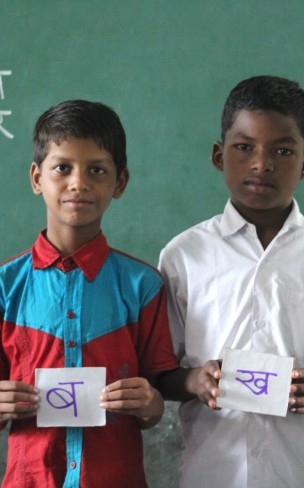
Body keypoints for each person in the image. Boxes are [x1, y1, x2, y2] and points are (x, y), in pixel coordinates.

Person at [157, 75, 304, 487]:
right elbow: (159, 371)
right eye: (244, 147)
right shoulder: (182, 256)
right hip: (213, 472)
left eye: (283, 150)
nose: (261, 163)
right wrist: (194, 380)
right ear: (219, 155)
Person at [0, 100, 179, 487]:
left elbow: (157, 400)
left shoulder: (143, 286)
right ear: (36, 178)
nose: (78, 183)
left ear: (120, 182)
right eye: (62, 168)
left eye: (96, 170)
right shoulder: (5, 287)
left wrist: (150, 403)